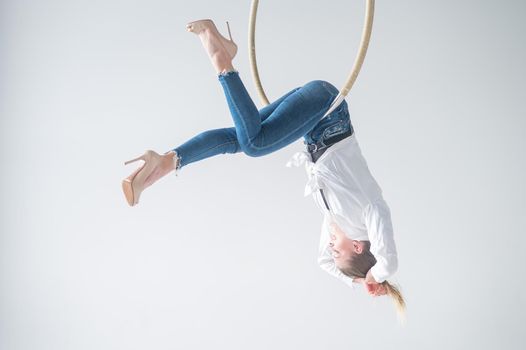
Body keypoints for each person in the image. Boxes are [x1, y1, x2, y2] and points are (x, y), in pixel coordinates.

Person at [122, 18, 405, 316]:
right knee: (255, 144)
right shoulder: (367, 212)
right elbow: (389, 258)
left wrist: (359, 281)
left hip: (314, 117)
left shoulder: (333, 219)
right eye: (338, 249)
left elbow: (323, 262)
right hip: (326, 107)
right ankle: (221, 57)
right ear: (359, 247)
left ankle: (166, 161)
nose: (330, 246)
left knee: (240, 140)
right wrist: (377, 275)